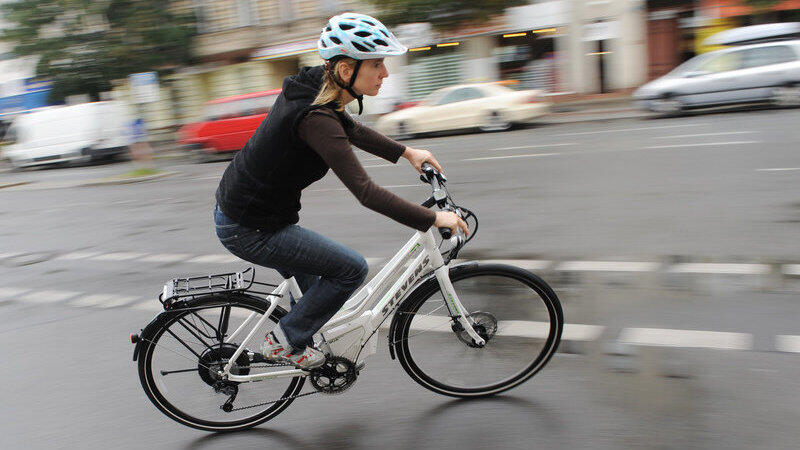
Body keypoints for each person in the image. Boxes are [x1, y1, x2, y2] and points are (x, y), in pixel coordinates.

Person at [213, 13, 468, 369]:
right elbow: (365, 191)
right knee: (350, 269)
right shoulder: (315, 118)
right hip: (251, 228)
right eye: (377, 64)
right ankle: (285, 342)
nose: (385, 74)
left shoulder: (318, 88)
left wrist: (408, 153)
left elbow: (350, 128)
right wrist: (432, 217)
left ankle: (306, 340)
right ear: (346, 71)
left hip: (249, 212)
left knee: (321, 295)